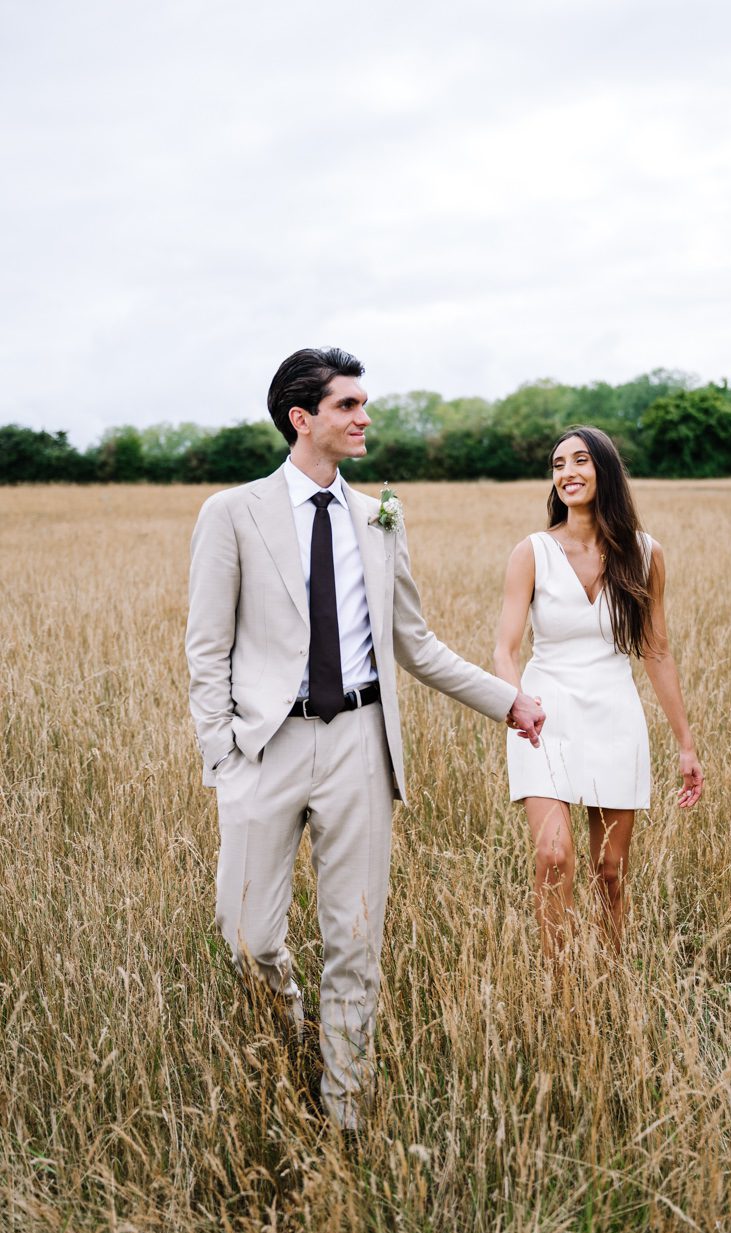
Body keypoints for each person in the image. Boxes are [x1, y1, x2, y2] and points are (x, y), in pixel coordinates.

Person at [185, 347, 545, 1132]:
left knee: (354, 943)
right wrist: (223, 758)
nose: (365, 417)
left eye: (363, 404)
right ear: (302, 418)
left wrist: (509, 701)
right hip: (265, 749)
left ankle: (346, 1115)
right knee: (247, 939)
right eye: (349, 405)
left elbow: (414, 644)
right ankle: (293, 1040)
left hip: (360, 745)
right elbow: (206, 648)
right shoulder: (233, 513)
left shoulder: (381, 517)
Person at [494, 426, 703, 953]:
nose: (567, 472)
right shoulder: (532, 552)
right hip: (543, 718)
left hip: (615, 716)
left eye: (580, 461)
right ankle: (559, 991)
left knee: (609, 870)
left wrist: (685, 743)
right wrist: (516, 703)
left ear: (604, 469)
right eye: (558, 464)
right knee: (554, 856)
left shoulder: (645, 553)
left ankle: (608, 983)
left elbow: (656, 650)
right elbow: (505, 649)